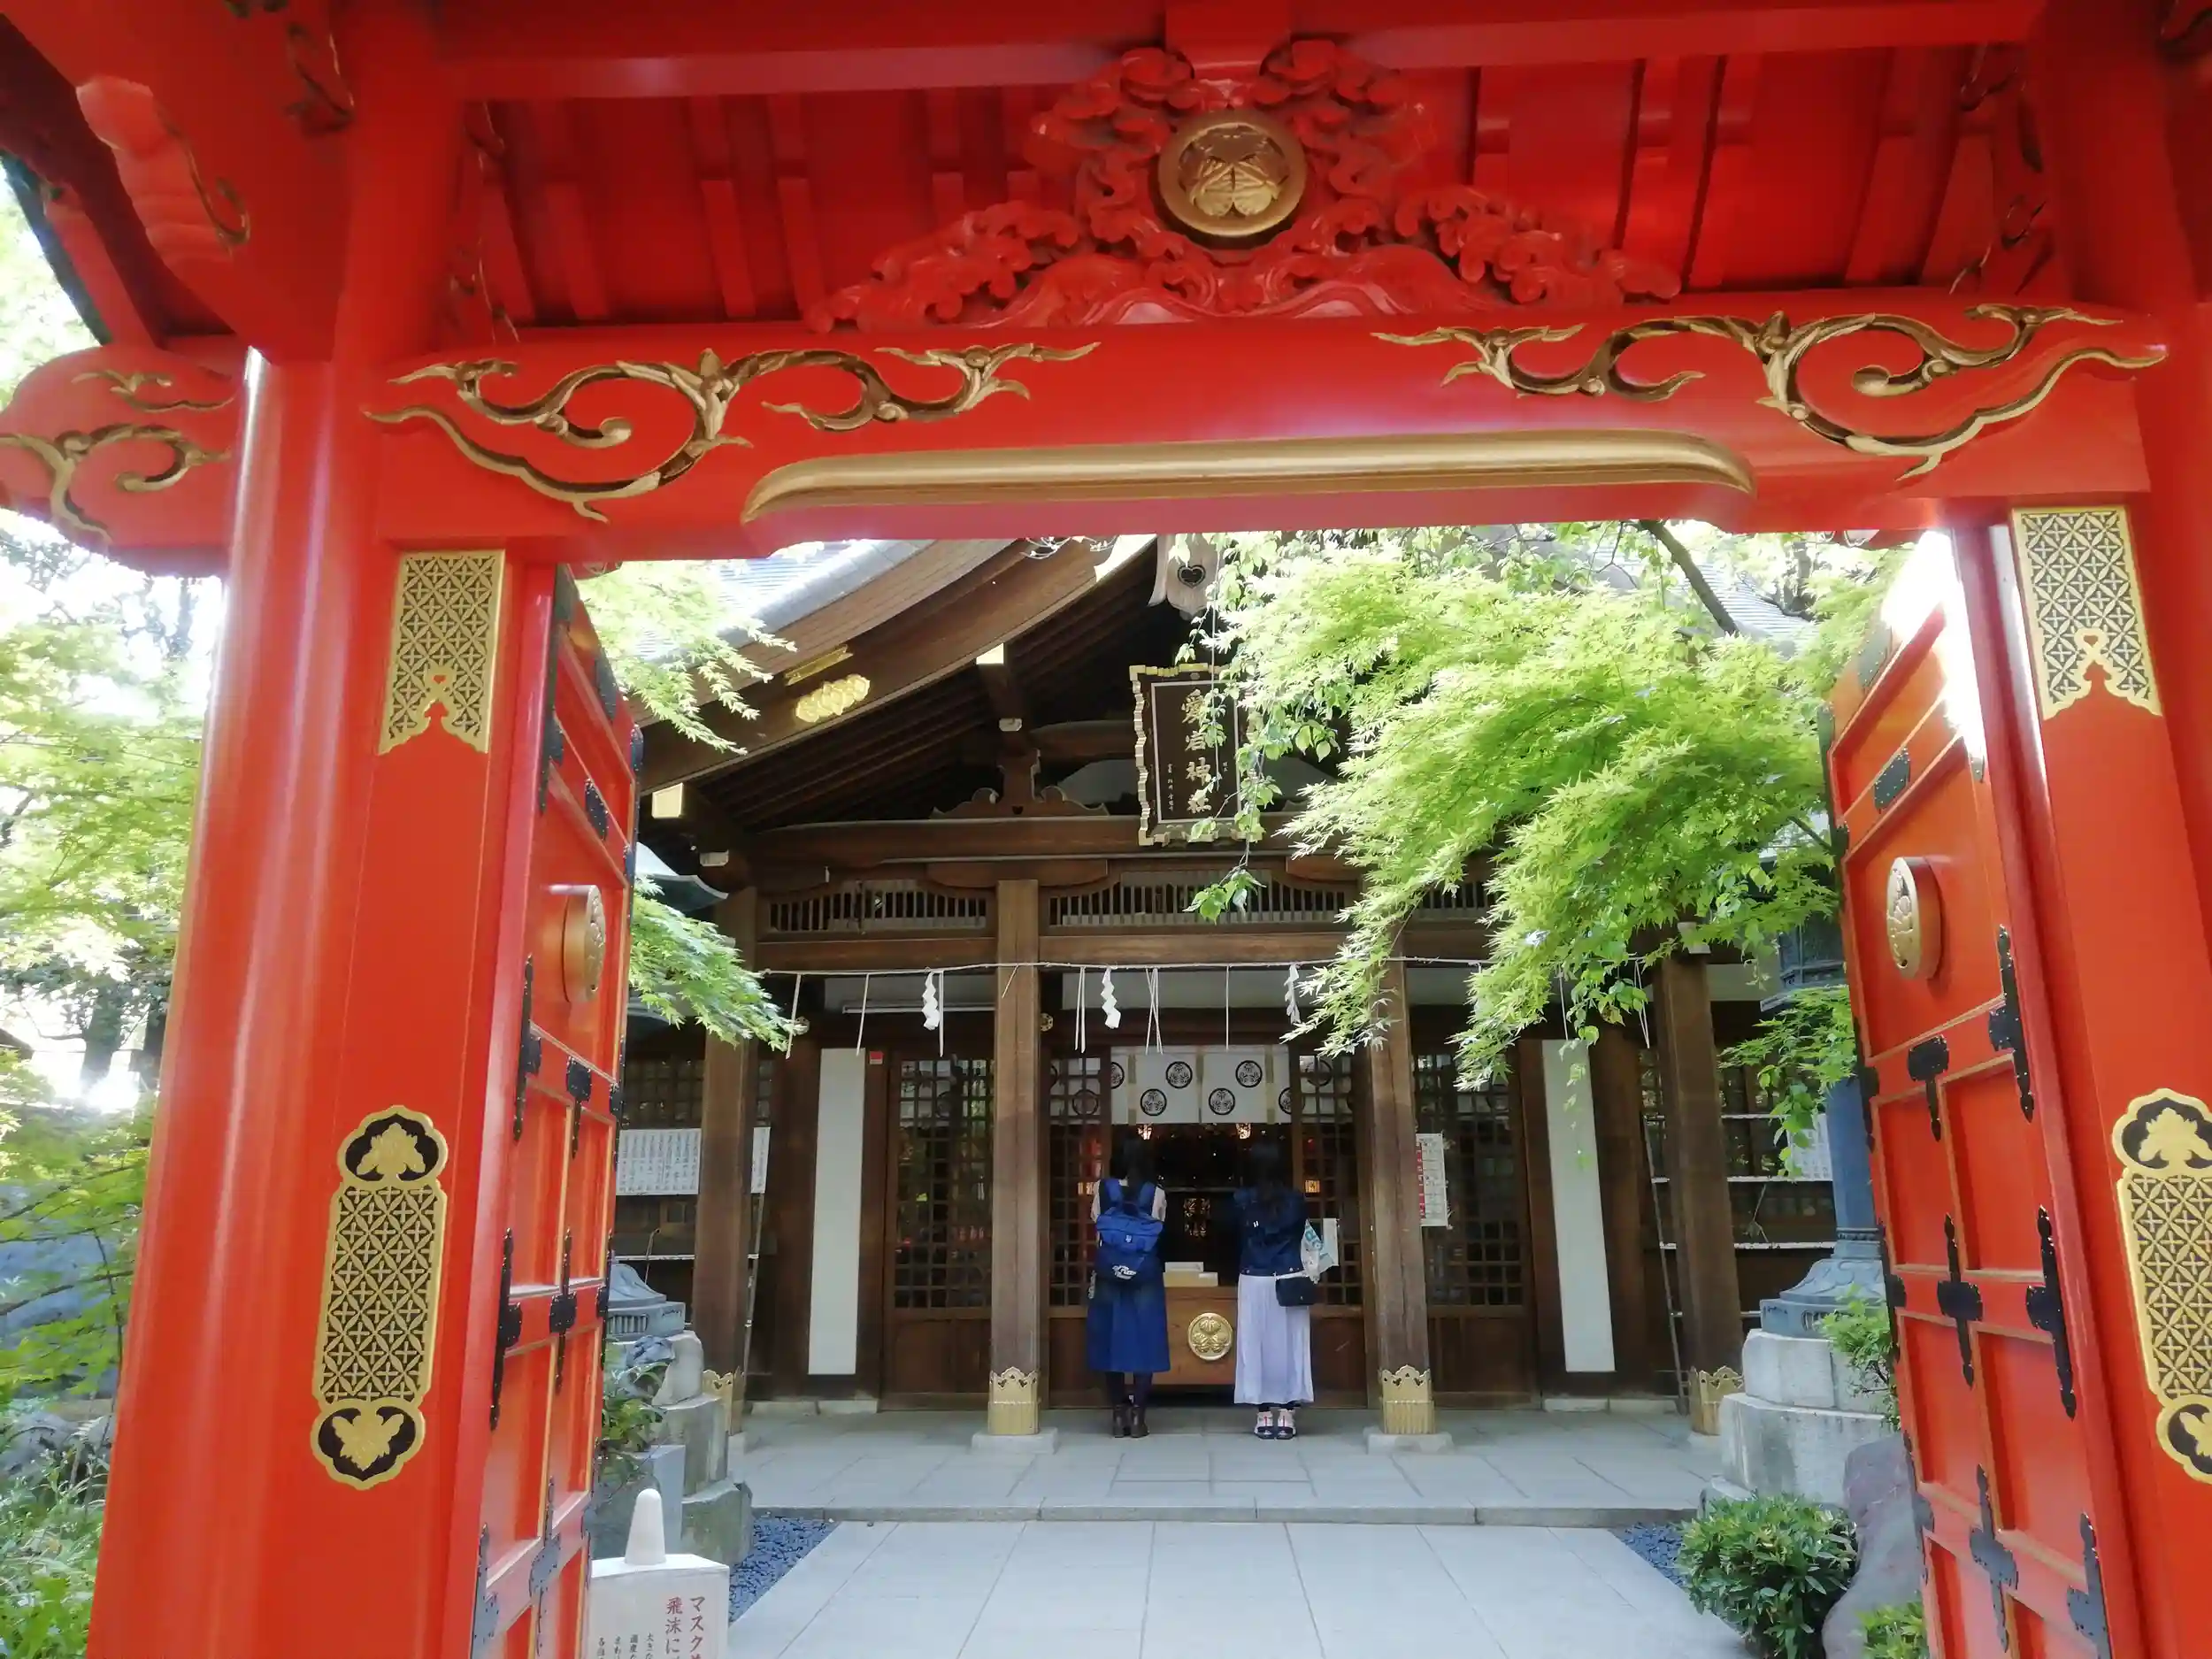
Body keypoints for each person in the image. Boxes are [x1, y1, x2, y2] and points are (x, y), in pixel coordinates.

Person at [1087, 1134, 1169, 1438]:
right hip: (1145, 1276)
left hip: (1109, 1275)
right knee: (1145, 1341)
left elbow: (1098, 1228)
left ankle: (1118, 1412)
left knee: (1110, 1340)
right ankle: (1138, 1416)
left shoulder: (1102, 1189)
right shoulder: (1155, 1193)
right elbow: (1159, 1229)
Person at [1231, 1138, 1313, 1440]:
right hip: (1290, 1275)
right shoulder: (1295, 1200)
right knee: (1291, 1345)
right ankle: (1288, 1413)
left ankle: (1263, 1413)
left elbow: (1233, 1235)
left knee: (1256, 1344)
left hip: (1253, 1276)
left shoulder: (1241, 1200)